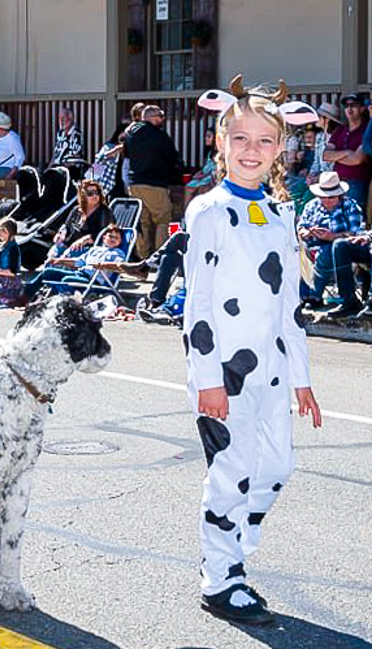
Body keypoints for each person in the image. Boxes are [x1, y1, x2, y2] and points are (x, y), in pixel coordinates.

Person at [187, 77, 321, 626]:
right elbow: (196, 306)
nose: (251, 150)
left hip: (270, 371)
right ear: (220, 143)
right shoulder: (208, 211)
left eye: (265, 141)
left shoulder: (282, 213)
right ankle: (221, 579)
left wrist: (301, 377)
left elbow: (288, 305)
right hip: (225, 371)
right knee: (231, 471)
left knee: (278, 465)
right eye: (239, 138)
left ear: (281, 150)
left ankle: (233, 547)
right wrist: (208, 379)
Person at [297, 170, 365, 311]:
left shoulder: (350, 206)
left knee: (328, 250)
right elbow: (301, 228)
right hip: (311, 244)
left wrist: (331, 236)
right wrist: (309, 232)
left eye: (331, 197)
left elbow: (355, 234)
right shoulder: (312, 205)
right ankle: (303, 296)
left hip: (338, 247)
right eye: (323, 197)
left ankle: (314, 296)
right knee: (297, 251)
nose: (326, 200)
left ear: (339, 195)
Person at [125, 104, 182, 259]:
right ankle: (159, 256)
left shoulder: (131, 133)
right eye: (160, 115)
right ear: (150, 117)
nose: (163, 118)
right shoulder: (158, 135)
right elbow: (172, 156)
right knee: (163, 219)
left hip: (135, 183)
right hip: (155, 183)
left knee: (142, 222)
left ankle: (142, 257)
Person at [23, 225, 127, 299]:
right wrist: (59, 260)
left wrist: (103, 265)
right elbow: (78, 262)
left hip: (93, 280)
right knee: (48, 272)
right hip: (79, 274)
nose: (113, 239)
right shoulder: (95, 249)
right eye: (110, 236)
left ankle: (57, 302)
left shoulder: (118, 253)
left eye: (116, 237)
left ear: (120, 241)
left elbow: (119, 266)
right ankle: (23, 296)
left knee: (67, 279)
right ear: (104, 238)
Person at [322, 93, 370, 207]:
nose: (349, 109)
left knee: (352, 215)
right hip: (336, 181)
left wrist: (336, 157)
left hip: (356, 182)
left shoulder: (366, 130)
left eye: (354, 105)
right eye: (347, 106)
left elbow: (357, 159)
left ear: (362, 108)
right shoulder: (340, 130)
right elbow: (325, 156)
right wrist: (348, 153)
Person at [46, 179, 113, 261]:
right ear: (83, 195)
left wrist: (85, 239)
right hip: (71, 244)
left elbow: (104, 234)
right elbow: (66, 226)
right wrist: (61, 233)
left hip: (90, 248)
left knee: (66, 256)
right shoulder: (77, 210)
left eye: (97, 192)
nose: (94, 196)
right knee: (54, 252)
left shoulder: (104, 212)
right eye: (90, 193)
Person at [186, 126, 219, 203]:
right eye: (206, 136)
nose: (206, 138)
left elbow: (215, 170)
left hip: (211, 178)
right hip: (204, 177)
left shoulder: (219, 154)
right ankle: (186, 211)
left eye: (209, 136)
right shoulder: (209, 153)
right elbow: (205, 167)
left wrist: (203, 175)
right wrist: (199, 173)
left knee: (200, 189)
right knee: (188, 186)